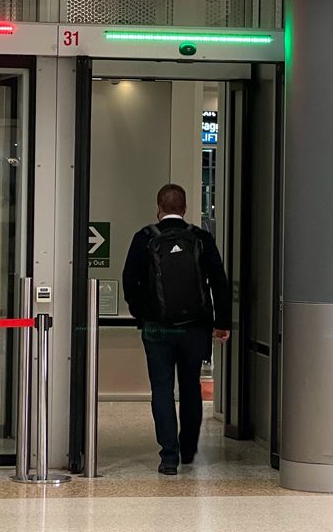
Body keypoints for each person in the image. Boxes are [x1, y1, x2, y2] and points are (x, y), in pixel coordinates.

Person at [122, 184, 231, 475]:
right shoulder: (201, 238)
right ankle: (188, 450)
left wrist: (142, 316)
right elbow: (220, 283)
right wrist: (222, 323)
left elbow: (129, 282)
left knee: (161, 389)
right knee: (191, 387)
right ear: (183, 208)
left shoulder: (144, 238)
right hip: (195, 328)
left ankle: (168, 457)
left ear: (158, 207)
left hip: (158, 329)